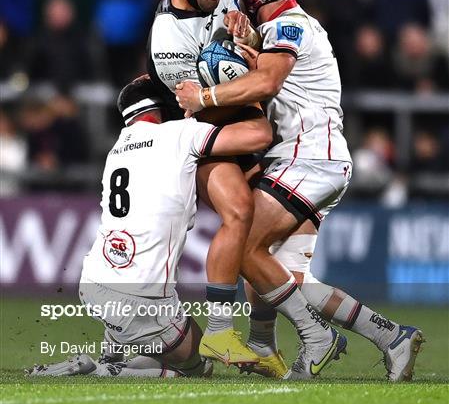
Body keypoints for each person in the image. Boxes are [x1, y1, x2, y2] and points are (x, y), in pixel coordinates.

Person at [175, 0, 424, 381]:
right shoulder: (285, 27)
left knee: (245, 248)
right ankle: (391, 336)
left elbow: (269, 81)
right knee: (288, 278)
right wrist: (250, 37)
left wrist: (206, 98)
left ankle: (313, 337)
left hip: (307, 156)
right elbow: (273, 65)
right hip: (314, 159)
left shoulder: (290, 25)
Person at [28, 74, 272, 377]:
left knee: (145, 333)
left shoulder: (116, 149)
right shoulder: (180, 134)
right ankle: (101, 372)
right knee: (199, 367)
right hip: (142, 299)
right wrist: (251, 97)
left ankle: (111, 355)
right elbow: (259, 136)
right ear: (161, 106)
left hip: (93, 283)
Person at [146, 0, 264, 366]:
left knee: (260, 230)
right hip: (191, 134)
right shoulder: (168, 38)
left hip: (226, 114)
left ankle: (263, 339)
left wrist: (247, 34)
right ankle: (218, 331)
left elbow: (246, 38)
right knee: (238, 210)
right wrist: (249, 79)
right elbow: (196, 106)